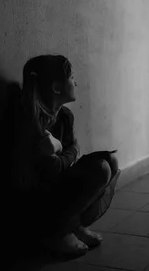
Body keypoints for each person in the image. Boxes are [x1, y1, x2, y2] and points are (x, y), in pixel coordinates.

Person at [10, 54, 120, 257]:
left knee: (111, 161)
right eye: (72, 78)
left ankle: (71, 224)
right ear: (57, 87)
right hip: (35, 199)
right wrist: (68, 152)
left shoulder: (65, 117)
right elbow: (49, 168)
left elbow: (72, 151)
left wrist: (60, 147)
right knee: (100, 169)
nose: (75, 82)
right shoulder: (30, 118)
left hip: (55, 185)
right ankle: (55, 232)